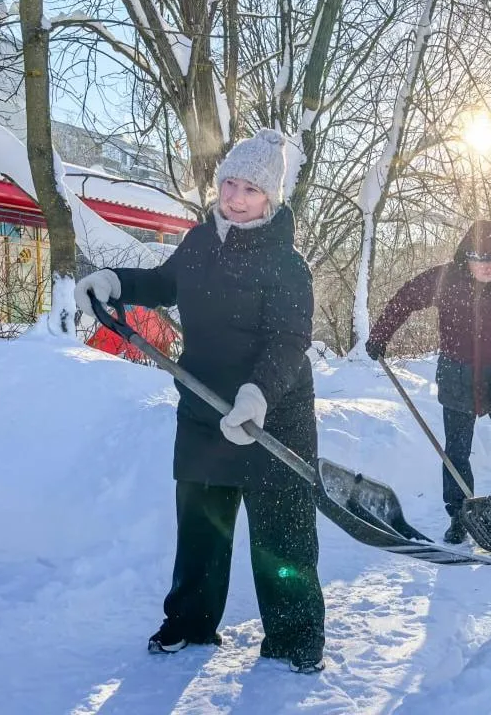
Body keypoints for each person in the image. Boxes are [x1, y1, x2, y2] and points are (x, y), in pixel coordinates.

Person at [74, 128, 326, 674]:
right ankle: (190, 621)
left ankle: (295, 637)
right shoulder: (199, 242)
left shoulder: (288, 264)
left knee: (281, 539)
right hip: (204, 409)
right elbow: (165, 283)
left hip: (272, 417)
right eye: (229, 183)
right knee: (201, 530)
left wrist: (257, 394)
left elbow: (289, 342)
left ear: (270, 198)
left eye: (250, 189)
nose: (235, 197)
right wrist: (115, 282)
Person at [364, 220, 491, 546]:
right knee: (456, 454)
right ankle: (460, 518)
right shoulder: (446, 278)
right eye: (480, 258)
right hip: (456, 378)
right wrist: (380, 335)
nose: (488, 266)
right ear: (467, 256)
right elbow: (406, 298)